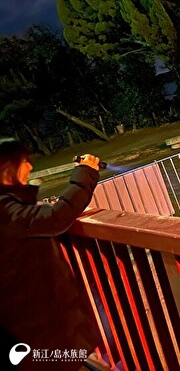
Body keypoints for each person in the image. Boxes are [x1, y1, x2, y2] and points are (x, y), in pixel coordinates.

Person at [0, 139, 106, 370]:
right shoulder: (4, 211)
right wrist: (86, 172)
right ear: (7, 170)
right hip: (38, 334)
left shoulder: (9, 207)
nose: (30, 167)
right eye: (25, 161)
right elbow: (57, 217)